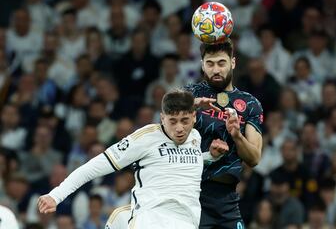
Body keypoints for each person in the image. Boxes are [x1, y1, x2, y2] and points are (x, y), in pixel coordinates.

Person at [37, 90, 227, 229]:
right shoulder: (144, 138)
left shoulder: (195, 137)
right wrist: (56, 195)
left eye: (184, 121)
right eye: (172, 121)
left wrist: (210, 156)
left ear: (194, 117)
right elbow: (94, 167)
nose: (179, 128)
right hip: (151, 220)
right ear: (162, 118)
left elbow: (179, 165)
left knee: (120, 216)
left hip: (187, 221)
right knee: (119, 216)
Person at [185, 39, 263, 229]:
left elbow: (254, 158)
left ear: (233, 63)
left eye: (221, 63)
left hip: (227, 200)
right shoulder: (189, 94)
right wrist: (190, 106)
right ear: (202, 65)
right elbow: (166, 130)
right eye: (210, 64)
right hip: (192, 193)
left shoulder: (250, 104)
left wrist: (237, 135)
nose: (216, 70)